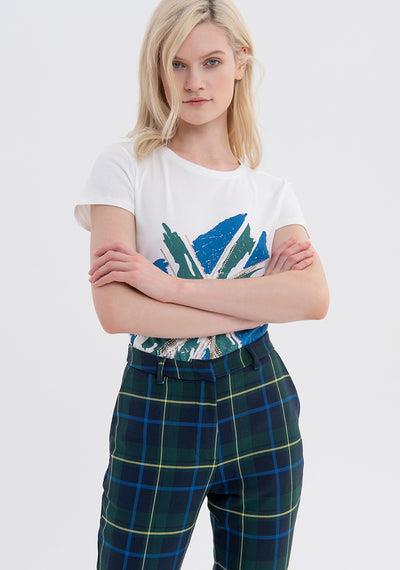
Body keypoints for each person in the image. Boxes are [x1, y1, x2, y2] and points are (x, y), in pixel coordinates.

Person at [73, 1, 329, 568]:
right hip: (160, 400)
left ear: (241, 63)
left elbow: (312, 299)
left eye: (211, 61)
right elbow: (117, 311)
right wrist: (260, 298)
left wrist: (167, 288)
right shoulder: (124, 168)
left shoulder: (272, 192)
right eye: (178, 64)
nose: (194, 82)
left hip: (261, 399)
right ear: (158, 70)